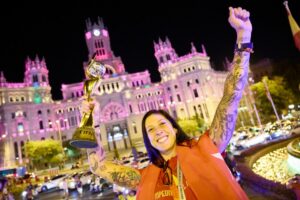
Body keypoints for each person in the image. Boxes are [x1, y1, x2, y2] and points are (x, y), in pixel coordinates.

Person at [84, 6, 252, 200]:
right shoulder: (145, 176)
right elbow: (99, 167)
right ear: (148, 140)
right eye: (151, 130)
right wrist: (91, 120)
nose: (158, 131)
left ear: (174, 128)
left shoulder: (206, 148)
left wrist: (243, 36)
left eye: (162, 123)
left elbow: (231, 95)